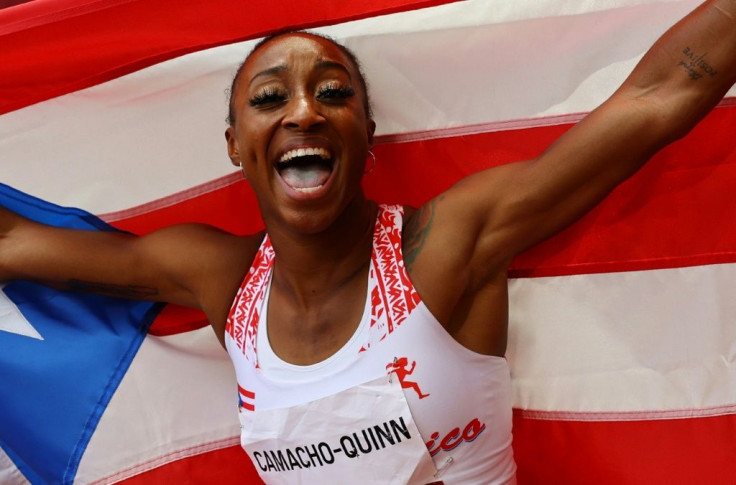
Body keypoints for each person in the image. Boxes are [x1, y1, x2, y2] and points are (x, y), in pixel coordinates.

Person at [1, 0, 735, 483]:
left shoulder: (449, 243)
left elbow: (657, 98)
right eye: (268, 97)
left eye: (333, 92)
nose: (303, 111)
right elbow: (15, 244)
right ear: (235, 144)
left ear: (366, 133)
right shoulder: (219, 278)